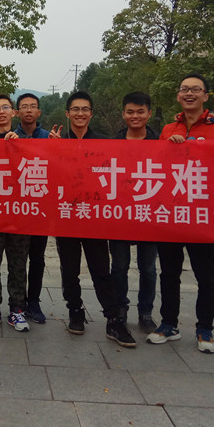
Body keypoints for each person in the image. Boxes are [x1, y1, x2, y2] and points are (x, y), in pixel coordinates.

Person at [49, 91, 136, 347]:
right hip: (66, 215)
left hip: (94, 217)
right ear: (67, 114)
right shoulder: (57, 142)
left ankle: (113, 319)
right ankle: (75, 311)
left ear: (91, 114)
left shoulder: (104, 142)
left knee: (101, 270)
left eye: (85, 109)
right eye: (75, 109)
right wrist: (52, 150)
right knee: (70, 270)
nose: (80, 113)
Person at [148, 74, 214, 353]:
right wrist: (169, 148)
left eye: (195, 89)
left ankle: (205, 329)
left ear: (206, 95)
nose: (189, 93)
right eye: (184, 89)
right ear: (178, 95)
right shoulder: (169, 128)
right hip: (171, 212)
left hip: (202, 213)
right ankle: (169, 324)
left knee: (205, 274)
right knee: (169, 272)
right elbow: (156, 164)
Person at [109, 92, 159, 333]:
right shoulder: (112, 144)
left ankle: (146, 312)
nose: (135, 116)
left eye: (140, 111)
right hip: (120, 215)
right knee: (119, 267)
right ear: (123, 114)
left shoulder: (162, 144)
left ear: (149, 113)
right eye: (130, 112)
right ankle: (120, 308)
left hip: (150, 215)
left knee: (148, 269)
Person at [0, 94, 31, 332]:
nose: (1, 111)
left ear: (14, 113)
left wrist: (19, 145)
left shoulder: (28, 143)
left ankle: (17, 309)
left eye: (5, 107)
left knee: (18, 264)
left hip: (19, 215)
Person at [14, 92, 50, 324]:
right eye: (24, 106)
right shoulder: (11, 137)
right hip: (17, 208)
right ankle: (17, 301)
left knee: (37, 257)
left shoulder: (49, 137)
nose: (28, 110)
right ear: (17, 112)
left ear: (39, 112)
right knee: (18, 259)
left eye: (32, 106)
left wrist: (59, 147)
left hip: (40, 208)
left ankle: (34, 301)